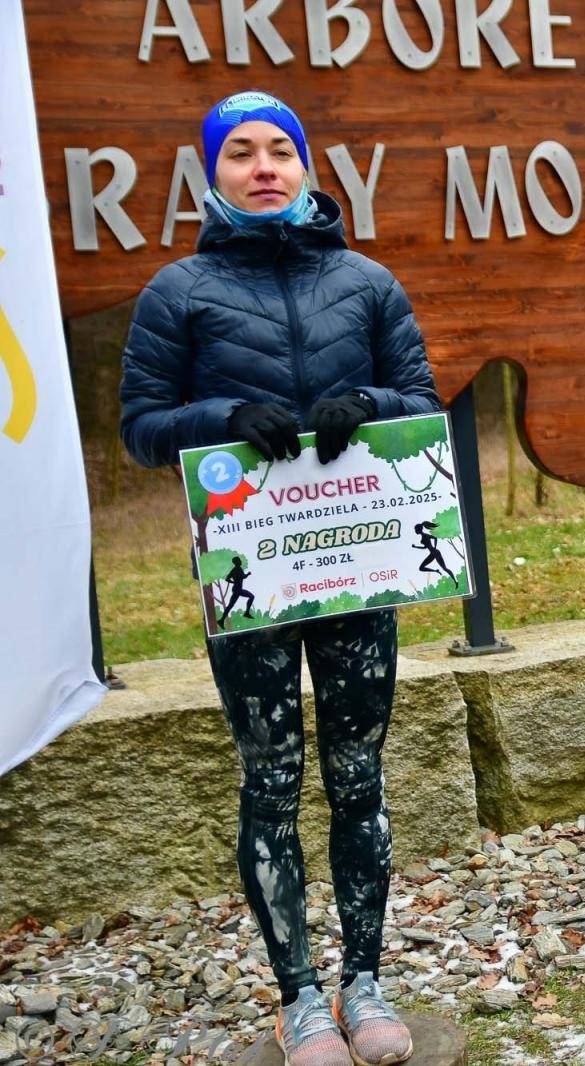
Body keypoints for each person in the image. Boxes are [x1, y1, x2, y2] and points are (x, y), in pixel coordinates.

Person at [120, 90, 439, 1066]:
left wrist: (369, 401)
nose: (264, 167)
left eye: (281, 152)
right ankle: (299, 994)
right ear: (212, 173)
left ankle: (366, 979)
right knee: (270, 776)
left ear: (305, 166)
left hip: (355, 568)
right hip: (251, 574)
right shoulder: (177, 293)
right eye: (241, 154)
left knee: (356, 775)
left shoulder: (369, 282)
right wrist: (220, 417)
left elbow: (419, 401)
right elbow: (140, 426)